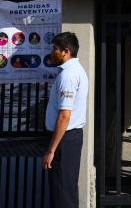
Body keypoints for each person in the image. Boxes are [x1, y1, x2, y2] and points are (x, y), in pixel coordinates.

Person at [44, 32, 89, 208]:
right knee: (66, 189)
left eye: (55, 48)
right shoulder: (74, 71)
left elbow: (64, 115)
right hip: (69, 138)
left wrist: (51, 150)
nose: (52, 51)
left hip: (64, 140)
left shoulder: (68, 75)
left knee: (62, 192)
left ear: (66, 51)